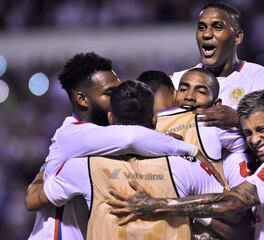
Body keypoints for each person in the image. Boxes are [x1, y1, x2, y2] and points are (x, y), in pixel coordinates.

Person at [107, 90, 264, 240]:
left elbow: (232, 202)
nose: (254, 140)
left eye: (261, 130)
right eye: (247, 133)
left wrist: (154, 205)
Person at [26, 53, 200, 240]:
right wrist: (187, 148)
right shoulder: (74, 133)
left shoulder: (99, 136)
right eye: (110, 93)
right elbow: (131, 137)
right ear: (82, 99)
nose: (119, 98)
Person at [140, 68, 253, 239]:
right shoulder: (151, 127)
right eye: (184, 89)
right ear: (174, 95)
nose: (189, 96)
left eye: (200, 91)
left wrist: (237, 120)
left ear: (217, 106)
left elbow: (252, 137)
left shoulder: (211, 126)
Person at [170, 1, 264, 129]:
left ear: (237, 37)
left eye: (217, 27)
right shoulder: (175, 81)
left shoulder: (262, 79)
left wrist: (238, 119)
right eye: (202, 27)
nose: (206, 34)